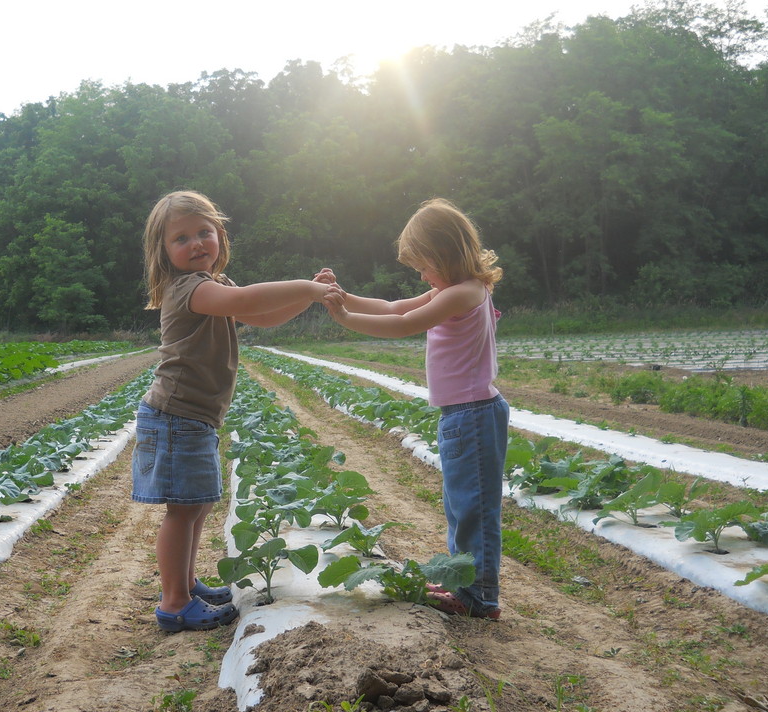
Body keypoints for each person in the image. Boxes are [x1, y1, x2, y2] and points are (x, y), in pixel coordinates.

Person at [133, 190, 332, 632]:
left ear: (220, 235)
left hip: (194, 417)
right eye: (181, 238)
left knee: (197, 505)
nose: (197, 243)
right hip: (176, 416)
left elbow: (263, 317)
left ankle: (186, 584)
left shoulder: (214, 285)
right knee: (181, 510)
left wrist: (309, 298)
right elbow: (248, 302)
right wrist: (309, 287)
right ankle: (174, 603)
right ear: (164, 254)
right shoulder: (189, 288)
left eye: (205, 232)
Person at [318, 198, 509, 620]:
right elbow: (393, 307)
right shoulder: (452, 288)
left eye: (424, 266)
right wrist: (345, 295)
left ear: (445, 254)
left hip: (473, 414)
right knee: (461, 505)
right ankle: (464, 581)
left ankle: (479, 596)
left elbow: (404, 325)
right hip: (462, 414)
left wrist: (345, 318)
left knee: (474, 508)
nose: (421, 276)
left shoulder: (464, 293)